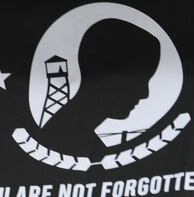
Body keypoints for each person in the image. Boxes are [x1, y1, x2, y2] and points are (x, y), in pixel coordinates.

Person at [40, 18, 160, 158]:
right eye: (137, 81)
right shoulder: (62, 142)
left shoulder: (73, 141)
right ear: (102, 75)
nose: (145, 94)